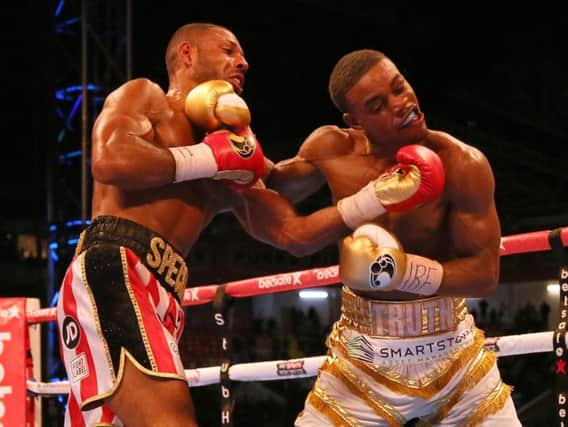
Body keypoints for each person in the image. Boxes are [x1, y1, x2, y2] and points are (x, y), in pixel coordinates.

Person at [55, 24, 443, 426]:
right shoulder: (147, 97)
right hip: (115, 268)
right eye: (227, 50)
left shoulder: (227, 148)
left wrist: (355, 168)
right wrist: (208, 158)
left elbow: (289, 231)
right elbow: (110, 160)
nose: (242, 61)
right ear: (187, 54)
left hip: (164, 292)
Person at [266, 49, 521, 426]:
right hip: (361, 357)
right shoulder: (332, 151)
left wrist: (403, 272)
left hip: (454, 356)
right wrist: (230, 144)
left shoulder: (461, 163)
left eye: (400, 87)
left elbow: (485, 274)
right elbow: (269, 190)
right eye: (378, 104)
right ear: (355, 120)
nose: (402, 104)